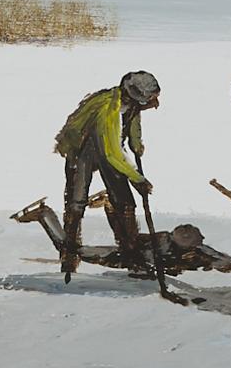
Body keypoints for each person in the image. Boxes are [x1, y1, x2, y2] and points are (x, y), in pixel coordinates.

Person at [53, 71, 160, 280]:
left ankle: (131, 254)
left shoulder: (131, 105)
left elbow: (132, 126)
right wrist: (137, 178)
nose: (154, 103)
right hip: (82, 149)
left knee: (125, 203)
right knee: (76, 203)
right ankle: (69, 255)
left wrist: (136, 146)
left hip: (109, 149)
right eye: (150, 99)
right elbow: (110, 152)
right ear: (134, 95)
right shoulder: (107, 108)